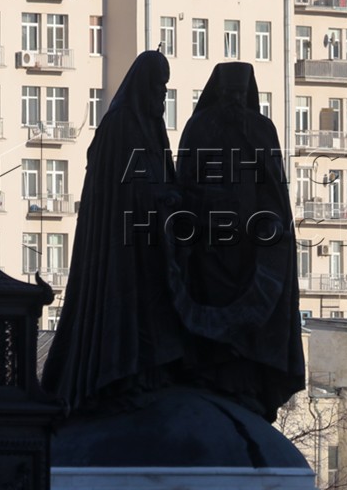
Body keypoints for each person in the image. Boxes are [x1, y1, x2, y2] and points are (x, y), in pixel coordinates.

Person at [40, 50, 184, 413]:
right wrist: (158, 196)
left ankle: (148, 374)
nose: (162, 95)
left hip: (147, 238)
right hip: (120, 243)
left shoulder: (150, 126)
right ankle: (121, 378)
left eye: (165, 88)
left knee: (153, 306)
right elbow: (124, 186)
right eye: (158, 86)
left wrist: (171, 197)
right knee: (124, 307)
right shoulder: (121, 125)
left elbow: (160, 175)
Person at [169, 62, 304, 420]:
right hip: (208, 239)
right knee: (208, 301)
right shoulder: (200, 127)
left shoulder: (261, 129)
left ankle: (246, 385)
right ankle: (208, 377)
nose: (235, 100)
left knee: (250, 311)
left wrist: (270, 225)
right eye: (229, 93)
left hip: (248, 243)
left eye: (240, 94)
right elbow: (186, 180)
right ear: (218, 92)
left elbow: (273, 187)